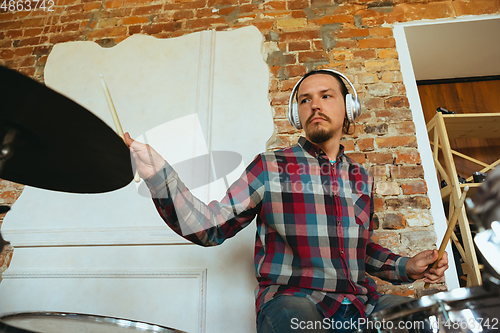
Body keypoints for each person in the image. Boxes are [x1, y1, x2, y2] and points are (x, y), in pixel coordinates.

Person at [124, 69, 448, 332]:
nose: (315, 105)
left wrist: (408, 266)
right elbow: (210, 227)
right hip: (293, 299)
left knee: (434, 321)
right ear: (297, 114)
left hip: (363, 302)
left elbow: (362, 251)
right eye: (305, 100)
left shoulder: (361, 177)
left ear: (348, 107)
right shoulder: (269, 166)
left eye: (326, 96)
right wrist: (160, 176)